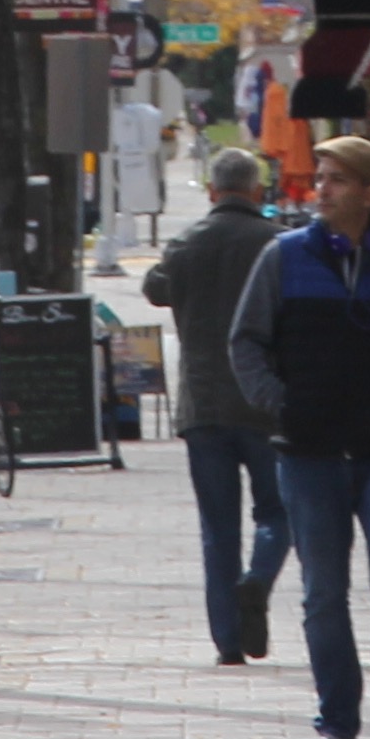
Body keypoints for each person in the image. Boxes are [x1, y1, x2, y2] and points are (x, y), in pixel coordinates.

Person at [223, 132, 370, 739]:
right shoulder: (284, 256)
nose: (320, 189)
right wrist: (280, 402)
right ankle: (337, 725)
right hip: (309, 451)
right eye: (319, 177)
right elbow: (246, 341)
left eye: (336, 179)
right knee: (323, 592)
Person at [141, 146, 290, 662]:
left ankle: (227, 641)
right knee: (279, 511)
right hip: (265, 401)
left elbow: (155, 287)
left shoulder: (187, 243)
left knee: (217, 527)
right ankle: (259, 578)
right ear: (257, 190)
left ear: (211, 191)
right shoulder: (277, 244)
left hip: (202, 406)